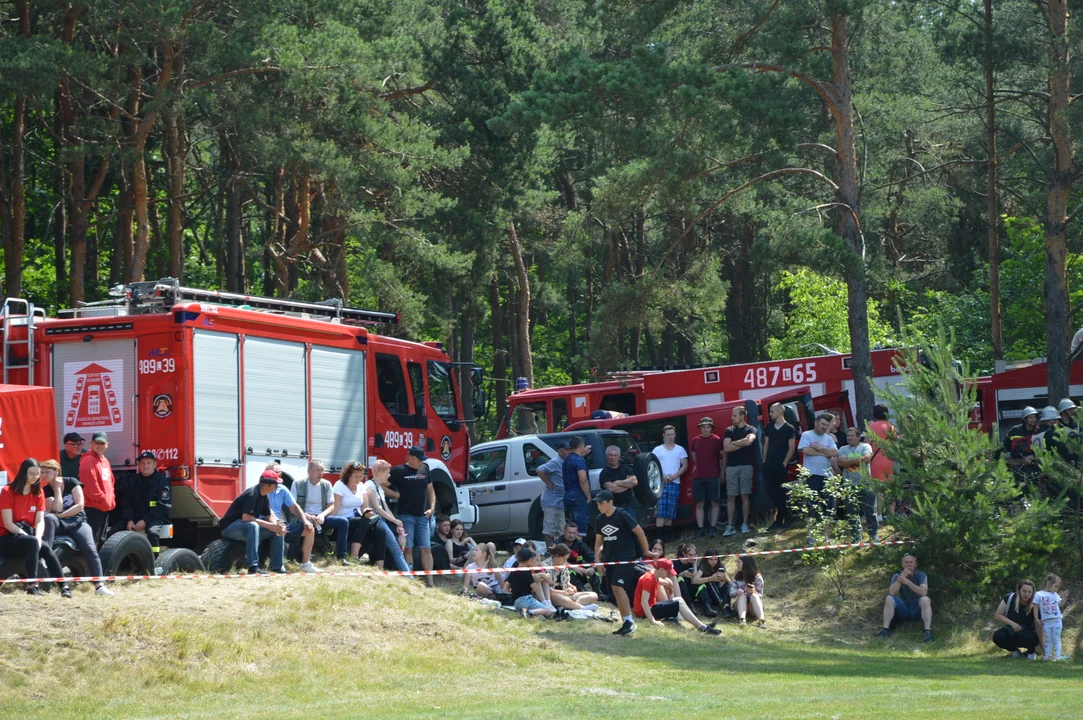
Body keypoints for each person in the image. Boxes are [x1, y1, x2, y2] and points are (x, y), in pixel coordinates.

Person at [39, 459, 112, 596]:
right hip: (58, 522)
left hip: (77, 520)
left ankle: (99, 585)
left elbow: (79, 505)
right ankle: (45, 556)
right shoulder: (46, 490)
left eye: (47, 472)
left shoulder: (71, 482)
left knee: (90, 548)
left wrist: (61, 515)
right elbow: (57, 507)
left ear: (56, 471)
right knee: (49, 518)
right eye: (42, 473)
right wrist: (57, 490)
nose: (44, 475)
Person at [0, 459, 71, 597]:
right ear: (23, 473)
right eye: (31, 473)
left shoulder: (38, 493)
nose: (35, 477)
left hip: (26, 534)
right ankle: (33, 586)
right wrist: (28, 537)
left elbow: (40, 520)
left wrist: (38, 537)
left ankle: (64, 586)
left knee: (44, 547)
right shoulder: (7, 491)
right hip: (5, 536)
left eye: (37, 474)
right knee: (32, 542)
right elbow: (8, 523)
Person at [593, 489, 658, 636]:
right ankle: (627, 621)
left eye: (602, 503)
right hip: (609, 559)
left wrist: (646, 552)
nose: (599, 506)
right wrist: (598, 561)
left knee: (617, 586)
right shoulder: (600, 519)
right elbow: (598, 542)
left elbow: (640, 532)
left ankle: (629, 621)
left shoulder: (622, 515)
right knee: (615, 589)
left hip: (626, 557)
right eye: (597, 504)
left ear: (610, 502)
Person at [219, 470, 287, 575]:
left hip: (245, 526)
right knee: (253, 525)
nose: (277, 486)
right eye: (276, 484)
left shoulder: (265, 495)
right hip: (229, 527)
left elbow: (268, 515)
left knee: (277, 531)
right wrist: (270, 525)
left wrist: (277, 525)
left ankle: (277, 566)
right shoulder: (252, 494)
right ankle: (253, 567)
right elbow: (246, 517)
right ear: (269, 485)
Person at [634, 557, 721, 634]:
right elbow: (644, 601)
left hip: (651, 607)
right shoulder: (648, 579)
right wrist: (652, 620)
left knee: (679, 600)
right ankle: (702, 627)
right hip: (644, 612)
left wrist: (668, 583)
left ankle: (701, 625)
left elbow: (657, 579)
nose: (669, 574)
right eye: (668, 572)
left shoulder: (653, 574)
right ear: (661, 569)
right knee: (678, 601)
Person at [293, 459, 351, 565]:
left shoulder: (326, 484)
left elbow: (332, 505)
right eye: (317, 470)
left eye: (322, 470)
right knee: (305, 525)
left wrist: (322, 515)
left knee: (343, 521)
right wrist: (307, 516)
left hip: (320, 518)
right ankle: (299, 556)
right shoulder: (298, 484)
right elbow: (293, 506)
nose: (320, 473)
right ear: (309, 471)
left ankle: (341, 556)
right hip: (304, 517)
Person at [392, 447, 436, 586]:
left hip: (423, 516)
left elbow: (431, 490)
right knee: (408, 548)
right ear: (410, 458)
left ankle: (430, 582)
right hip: (405, 516)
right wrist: (394, 495)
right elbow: (382, 484)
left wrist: (432, 508)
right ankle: (410, 580)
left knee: (426, 548)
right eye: (419, 460)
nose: (422, 462)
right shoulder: (398, 471)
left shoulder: (425, 469)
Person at [111, 451, 172, 551]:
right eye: (142, 463)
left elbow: (163, 506)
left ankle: (153, 561)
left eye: (148, 463)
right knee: (112, 533)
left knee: (152, 533)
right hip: (134, 518)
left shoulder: (162, 481)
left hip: (154, 518)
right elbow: (127, 503)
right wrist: (129, 519)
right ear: (139, 465)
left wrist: (145, 521)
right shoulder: (133, 480)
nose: (145, 466)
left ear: (154, 465)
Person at [332, 463, 384, 568]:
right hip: (343, 520)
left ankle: (380, 566)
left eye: (361, 476)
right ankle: (354, 556)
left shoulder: (361, 486)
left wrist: (367, 511)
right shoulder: (340, 485)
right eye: (356, 476)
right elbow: (335, 506)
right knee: (363, 521)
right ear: (348, 475)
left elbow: (364, 507)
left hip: (358, 519)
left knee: (380, 530)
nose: (358, 479)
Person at [364, 459, 411, 572]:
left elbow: (385, 507)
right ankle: (409, 576)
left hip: (381, 521)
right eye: (387, 472)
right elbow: (377, 509)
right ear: (380, 472)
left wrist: (396, 521)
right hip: (376, 521)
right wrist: (394, 521)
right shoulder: (370, 487)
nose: (389, 475)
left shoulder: (379, 488)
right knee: (396, 549)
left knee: (397, 548)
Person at [797, 414, 839, 540]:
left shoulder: (829, 438)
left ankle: (826, 535)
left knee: (828, 506)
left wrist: (819, 448)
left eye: (827, 425)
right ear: (816, 422)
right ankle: (813, 535)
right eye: (823, 424)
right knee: (811, 505)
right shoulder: (807, 435)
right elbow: (806, 451)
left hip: (826, 475)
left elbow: (835, 452)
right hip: (811, 475)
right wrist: (825, 452)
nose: (824, 427)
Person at [876, 553, 933, 643]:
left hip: (917, 609)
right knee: (889, 598)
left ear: (915, 564)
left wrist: (906, 582)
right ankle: (885, 629)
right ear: (902, 565)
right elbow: (891, 592)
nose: (909, 564)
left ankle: (927, 632)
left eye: (911, 562)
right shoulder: (897, 576)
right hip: (904, 608)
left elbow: (923, 592)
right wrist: (902, 578)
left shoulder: (921, 575)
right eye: (906, 562)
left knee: (925, 599)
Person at [836, 428, 877, 543]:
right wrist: (859, 459)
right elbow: (841, 462)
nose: (849, 438)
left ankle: (873, 534)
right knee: (851, 513)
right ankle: (856, 536)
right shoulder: (843, 449)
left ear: (859, 437)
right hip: (849, 485)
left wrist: (849, 461)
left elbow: (867, 459)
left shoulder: (865, 447)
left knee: (870, 511)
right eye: (848, 436)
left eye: (852, 436)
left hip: (865, 484)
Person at [722, 407, 757, 536]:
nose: (732, 418)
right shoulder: (729, 430)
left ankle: (744, 524)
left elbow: (749, 441)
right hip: (731, 467)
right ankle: (730, 526)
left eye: (734, 415)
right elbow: (726, 447)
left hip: (746, 466)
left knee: (744, 495)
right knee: (731, 496)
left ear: (742, 416)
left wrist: (735, 443)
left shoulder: (751, 429)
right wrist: (741, 442)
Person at [762, 403, 797, 530]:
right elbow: (766, 444)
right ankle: (787, 515)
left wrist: (785, 462)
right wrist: (764, 461)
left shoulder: (789, 428)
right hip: (769, 463)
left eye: (772, 411)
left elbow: (791, 448)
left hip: (781, 464)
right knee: (770, 491)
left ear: (779, 412)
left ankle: (779, 520)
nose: (770, 414)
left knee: (780, 492)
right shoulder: (769, 427)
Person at [508, 546, 564, 619]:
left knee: (541, 617)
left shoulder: (536, 568)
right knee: (548, 611)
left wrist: (542, 575)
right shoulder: (523, 569)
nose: (539, 562)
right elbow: (535, 587)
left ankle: (547, 602)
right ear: (530, 560)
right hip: (528, 597)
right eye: (537, 560)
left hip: (518, 600)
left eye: (539, 560)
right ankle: (534, 609)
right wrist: (540, 576)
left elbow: (550, 582)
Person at [79, 432, 116, 543]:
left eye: (102, 443)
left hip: (103, 509)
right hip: (92, 509)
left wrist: (111, 500)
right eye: (96, 443)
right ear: (91, 443)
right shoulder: (88, 461)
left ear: (107, 445)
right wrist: (104, 501)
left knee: (100, 541)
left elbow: (111, 481)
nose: (99, 446)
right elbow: (90, 487)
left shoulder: (104, 460)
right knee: (92, 542)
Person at [652, 426, 688, 541]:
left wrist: (675, 476)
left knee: (670, 511)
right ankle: (659, 538)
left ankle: (667, 538)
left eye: (672, 434)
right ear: (663, 435)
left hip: (675, 482)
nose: (670, 437)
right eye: (668, 434)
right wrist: (662, 476)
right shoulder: (657, 450)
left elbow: (685, 465)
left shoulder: (680, 449)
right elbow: (653, 465)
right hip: (660, 484)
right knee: (660, 511)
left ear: (675, 434)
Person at [690, 417, 724, 538]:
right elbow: (695, 458)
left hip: (713, 475)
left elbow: (723, 456)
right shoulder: (695, 440)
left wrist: (722, 472)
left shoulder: (717, 440)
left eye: (708, 426)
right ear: (700, 428)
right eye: (703, 427)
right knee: (699, 503)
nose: (705, 429)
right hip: (698, 476)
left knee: (715, 502)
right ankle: (701, 529)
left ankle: (713, 528)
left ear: (711, 428)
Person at [992, 579, 1042, 659]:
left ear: (1033, 593)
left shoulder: (1035, 603)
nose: (1026, 594)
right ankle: (1015, 651)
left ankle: (1031, 652)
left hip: (1027, 634)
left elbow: (1038, 624)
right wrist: (1012, 624)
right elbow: (998, 615)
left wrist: (1044, 647)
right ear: (1019, 590)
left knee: (1026, 635)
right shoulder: (1010, 598)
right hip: (1011, 631)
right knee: (998, 636)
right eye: (1024, 591)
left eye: (1029, 592)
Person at [544, 543, 599, 611]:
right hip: (553, 595)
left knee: (594, 595)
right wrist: (563, 592)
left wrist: (571, 586)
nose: (565, 561)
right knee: (557, 597)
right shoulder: (545, 566)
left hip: (565, 595)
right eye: (564, 559)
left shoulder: (563, 565)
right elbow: (548, 590)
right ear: (556, 556)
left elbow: (566, 582)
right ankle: (581, 607)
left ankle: (568, 605)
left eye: (566, 559)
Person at [866, 404, 897, 518]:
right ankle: (891, 514)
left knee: (879, 489)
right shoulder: (891, 427)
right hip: (889, 460)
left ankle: (879, 515)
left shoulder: (873, 427)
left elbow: (867, 444)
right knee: (889, 488)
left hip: (876, 460)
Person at [536, 442, 568, 546]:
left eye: (569, 449)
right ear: (559, 450)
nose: (567, 451)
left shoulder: (566, 462)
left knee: (561, 528)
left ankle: (559, 549)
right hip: (551, 502)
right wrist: (548, 482)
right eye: (565, 449)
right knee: (549, 528)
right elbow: (539, 470)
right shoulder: (555, 461)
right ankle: (549, 550)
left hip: (560, 502)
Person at [1003, 406, 1041, 489]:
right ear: (1025, 419)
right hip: (1016, 465)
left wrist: (1033, 456)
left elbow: (1042, 448)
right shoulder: (1015, 430)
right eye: (1030, 417)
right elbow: (1004, 446)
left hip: (1032, 465)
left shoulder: (1038, 431)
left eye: (1034, 417)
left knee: (1033, 487)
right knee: (1017, 487)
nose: (1033, 419)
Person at [1035, 573, 1069, 661]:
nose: (1057, 589)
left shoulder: (1055, 595)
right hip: (1046, 621)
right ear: (1048, 583)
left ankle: (1057, 656)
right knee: (1047, 639)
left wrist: (1064, 598)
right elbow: (1035, 606)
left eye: (1058, 587)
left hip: (1057, 620)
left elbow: (1061, 604)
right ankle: (1047, 655)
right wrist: (1036, 618)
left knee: (1056, 639)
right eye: (1055, 586)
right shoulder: (1039, 594)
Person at [562, 436, 591, 537]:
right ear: (581, 445)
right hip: (578, 495)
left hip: (568, 495)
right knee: (580, 529)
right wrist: (588, 496)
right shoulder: (579, 460)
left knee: (571, 528)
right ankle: (578, 551)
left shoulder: (567, 459)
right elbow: (582, 479)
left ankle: (569, 551)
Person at [692, 549, 732, 618]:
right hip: (708, 594)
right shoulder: (703, 566)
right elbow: (694, 580)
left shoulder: (720, 565)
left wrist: (722, 578)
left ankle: (726, 606)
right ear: (706, 559)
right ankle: (722, 603)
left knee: (727, 585)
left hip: (718, 590)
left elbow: (729, 581)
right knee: (709, 581)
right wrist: (710, 578)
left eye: (715, 559)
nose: (714, 562)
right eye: (711, 559)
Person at [559, 523, 598, 593]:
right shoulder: (558, 543)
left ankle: (598, 592)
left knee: (593, 571)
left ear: (577, 533)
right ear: (564, 532)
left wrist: (593, 568)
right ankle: (583, 592)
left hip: (580, 572)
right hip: (563, 574)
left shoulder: (580, 544)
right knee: (569, 572)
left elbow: (593, 558)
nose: (571, 535)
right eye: (569, 532)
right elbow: (559, 561)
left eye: (574, 533)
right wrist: (574, 568)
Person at [599, 445, 638, 514]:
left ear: (619, 457)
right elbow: (612, 489)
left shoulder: (626, 469)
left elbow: (634, 482)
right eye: (610, 455)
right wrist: (628, 485)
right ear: (606, 457)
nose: (613, 457)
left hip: (628, 508)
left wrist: (617, 482)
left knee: (635, 525)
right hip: (613, 509)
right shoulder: (604, 473)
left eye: (615, 455)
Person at [733, 555, 766, 627]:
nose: (737, 564)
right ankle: (742, 619)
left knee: (754, 596)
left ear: (746, 564)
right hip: (740, 604)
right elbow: (731, 593)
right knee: (742, 595)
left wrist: (754, 592)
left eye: (739, 562)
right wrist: (737, 592)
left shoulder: (757, 577)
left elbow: (760, 595)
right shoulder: (736, 577)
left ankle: (762, 620)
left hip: (753, 606)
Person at [672, 542, 699, 609]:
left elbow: (694, 580)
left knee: (702, 584)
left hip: (690, 589)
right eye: (690, 555)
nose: (693, 557)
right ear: (684, 554)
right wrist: (682, 574)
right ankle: (690, 606)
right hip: (680, 590)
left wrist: (695, 564)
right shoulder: (675, 563)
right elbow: (672, 579)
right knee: (680, 579)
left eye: (694, 555)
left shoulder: (693, 563)